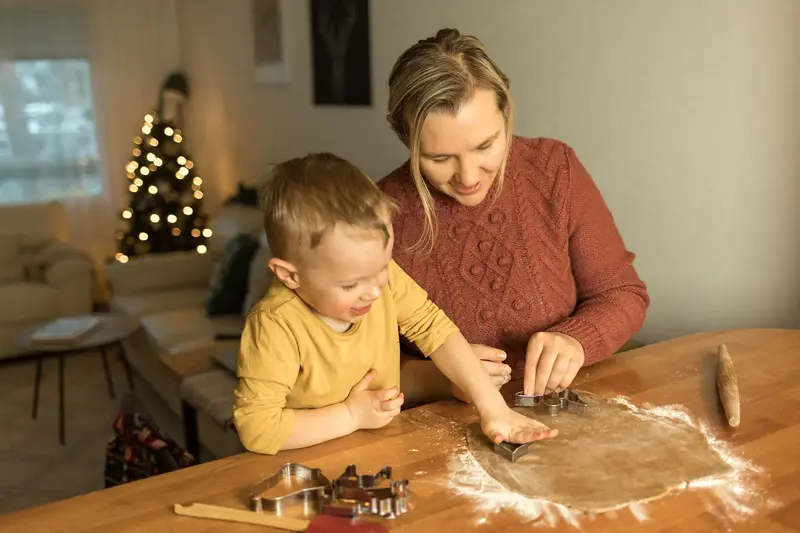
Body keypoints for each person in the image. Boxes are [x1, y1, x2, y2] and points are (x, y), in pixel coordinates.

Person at [377, 29, 650, 404]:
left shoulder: (554, 170)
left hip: (572, 410)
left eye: (486, 145)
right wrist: (443, 377)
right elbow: (350, 363)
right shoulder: (377, 215)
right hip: (445, 429)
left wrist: (578, 338)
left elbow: (622, 294)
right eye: (439, 159)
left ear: (507, 114)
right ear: (404, 137)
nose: (469, 177)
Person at [232, 152, 558, 455]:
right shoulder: (275, 325)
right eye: (350, 284)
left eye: (380, 269)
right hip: (308, 462)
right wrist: (350, 415)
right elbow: (256, 428)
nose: (374, 292)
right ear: (290, 276)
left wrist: (493, 409)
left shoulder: (379, 279)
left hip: (384, 447)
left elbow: (435, 328)